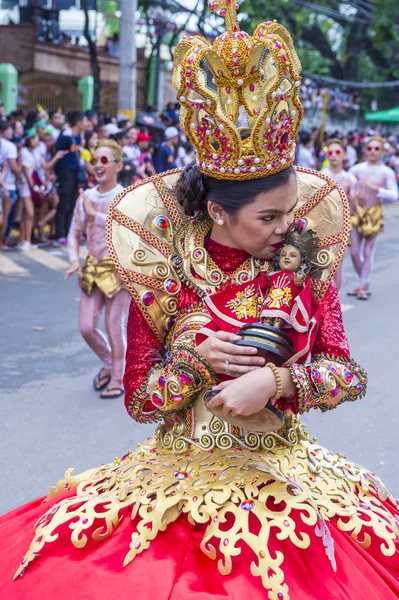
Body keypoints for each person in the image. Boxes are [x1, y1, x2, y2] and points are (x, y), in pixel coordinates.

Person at [1, 6, 399, 600]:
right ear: (218, 212)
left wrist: (278, 384)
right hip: (179, 471)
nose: (285, 227)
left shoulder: (303, 261)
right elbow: (140, 397)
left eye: (290, 211)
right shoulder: (164, 271)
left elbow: (345, 372)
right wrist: (192, 359)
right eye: (268, 217)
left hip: (282, 470)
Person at [65, 139, 129, 399]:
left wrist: (97, 216)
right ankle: (109, 362)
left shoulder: (124, 197)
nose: (98, 166)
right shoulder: (87, 197)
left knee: (114, 325)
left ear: (118, 165)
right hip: (93, 269)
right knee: (86, 327)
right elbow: (74, 233)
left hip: (119, 270)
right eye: (94, 161)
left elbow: (128, 229)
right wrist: (73, 260)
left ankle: (118, 377)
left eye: (104, 161)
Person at [349, 136, 398, 299]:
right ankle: (364, 280)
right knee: (354, 251)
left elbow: (394, 195)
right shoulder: (356, 169)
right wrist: (354, 195)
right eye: (370, 148)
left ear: (383, 152)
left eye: (377, 149)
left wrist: (376, 189)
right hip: (357, 212)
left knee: (368, 252)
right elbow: (348, 188)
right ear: (365, 150)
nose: (372, 152)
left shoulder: (387, 172)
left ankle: (362, 286)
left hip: (374, 212)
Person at [322, 138, 357, 290]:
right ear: (327, 155)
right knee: (323, 265)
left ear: (344, 155)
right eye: (331, 152)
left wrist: (352, 200)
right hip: (323, 226)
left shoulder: (350, 179)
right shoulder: (321, 175)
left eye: (337, 152)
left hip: (342, 226)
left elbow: (354, 209)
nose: (334, 155)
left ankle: (335, 303)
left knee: (338, 266)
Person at [54, 110, 87, 245]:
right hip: (65, 172)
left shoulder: (79, 136)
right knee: (64, 202)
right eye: (84, 121)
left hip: (75, 172)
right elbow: (57, 152)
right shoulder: (65, 135)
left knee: (73, 202)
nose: (86, 123)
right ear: (78, 122)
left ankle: (69, 232)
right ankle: (60, 234)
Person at [0, 121, 21, 250]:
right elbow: (12, 167)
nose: (11, 132)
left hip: (5, 185)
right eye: (9, 129)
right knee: (4, 217)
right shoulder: (10, 146)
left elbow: (4, 167)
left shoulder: (6, 145)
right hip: (8, 186)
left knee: (4, 218)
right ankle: (2, 242)